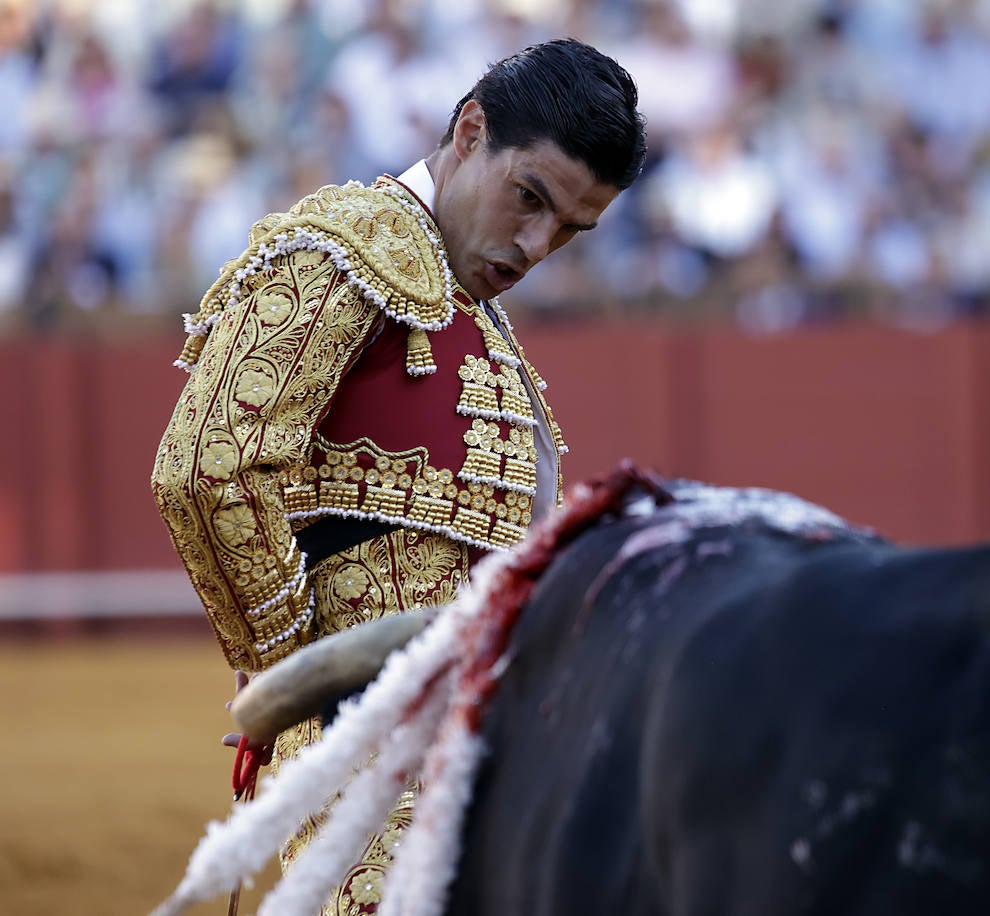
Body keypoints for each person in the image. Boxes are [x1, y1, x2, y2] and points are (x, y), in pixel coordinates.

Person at [152, 38, 646, 914]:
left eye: (570, 229)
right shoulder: (346, 251)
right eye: (528, 198)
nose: (537, 245)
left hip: (468, 727)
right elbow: (206, 465)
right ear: (469, 131)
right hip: (373, 729)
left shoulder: (466, 306)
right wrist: (295, 669)